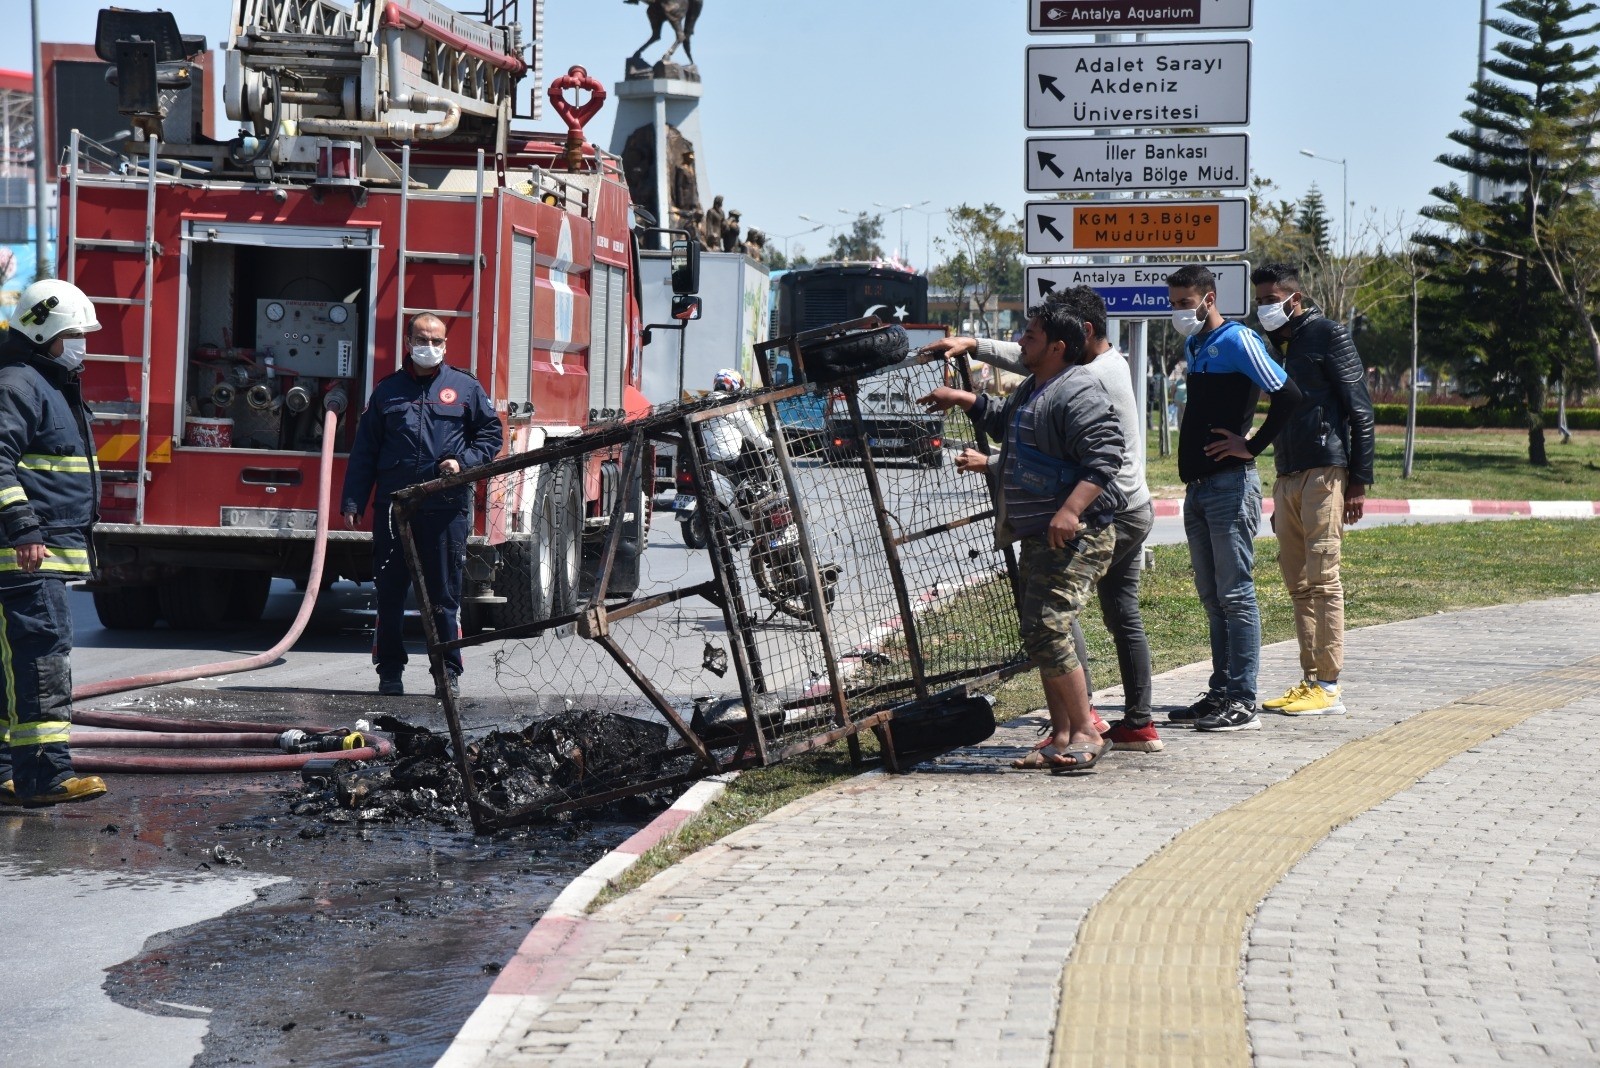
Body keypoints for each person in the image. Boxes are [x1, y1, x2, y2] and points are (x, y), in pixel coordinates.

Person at [919, 286, 1162, 753]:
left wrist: (1071, 510)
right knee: (1041, 629)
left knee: (1052, 627)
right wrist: (964, 399)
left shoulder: (1082, 386)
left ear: (1058, 346)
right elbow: (1011, 428)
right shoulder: (1036, 387)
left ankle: (1085, 730)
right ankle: (1067, 733)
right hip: (1041, 530)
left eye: (1029, 336)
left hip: (1080, 530)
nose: (1020, 343)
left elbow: (1106, 456)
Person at [1166, 265, 1302, 733]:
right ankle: (1220, 691)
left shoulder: (1239, 340)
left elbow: (1289, 395)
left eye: (1185, 303)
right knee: (1212, 597)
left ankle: (1242, 699)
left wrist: (1251, 445)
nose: (1178, 311)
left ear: (1208, 299)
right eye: (1174, 303)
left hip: (1230, 486)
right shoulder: (1195, 345)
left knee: (1237, 594)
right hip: (1198, 488)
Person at [341, 313, 503, 698]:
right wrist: (353, 499)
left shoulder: (465, 388)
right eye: (422, 339)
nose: (429, 347)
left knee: (443, 598)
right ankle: (390, 672)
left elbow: (491, 434)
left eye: (437, 341)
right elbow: (365, 450)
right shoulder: (387, 391)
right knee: (391, 594)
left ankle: (447, 674)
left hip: (446, 510)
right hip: (395, 511)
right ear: (408, 342)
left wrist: (462, 462)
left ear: (445, 346)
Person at [0, 279, 109, 808]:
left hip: (43, 550)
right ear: (47, 335)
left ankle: (7, 771)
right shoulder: (19, 384)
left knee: (13, 663)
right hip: (25, 554)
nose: (83, 342)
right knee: (42, 657)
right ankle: (45, 775)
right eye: (75, 333)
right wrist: (23, 527)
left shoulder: (48, 382)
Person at [1250, 263, 1376, 716]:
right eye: (1259, 300)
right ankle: (1309, 680)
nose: (1263, 307)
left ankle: (1329, 682)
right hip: (1287, 472)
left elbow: (1360, 409)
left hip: (1325, 468)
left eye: (1270, 299)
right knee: (1297, 584)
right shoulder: (1279, 345)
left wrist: (1359, 480)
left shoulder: (1328, 334)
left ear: (1294, 299)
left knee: (1324, 580)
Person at [700, 368, 772, 510]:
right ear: (734, 386)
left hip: (705, 456)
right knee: (748, 444)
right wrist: (771, 444)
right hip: (728, 458)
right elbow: (755, 437)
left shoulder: (702, 404)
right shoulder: (734, 405)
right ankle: (759, 491)